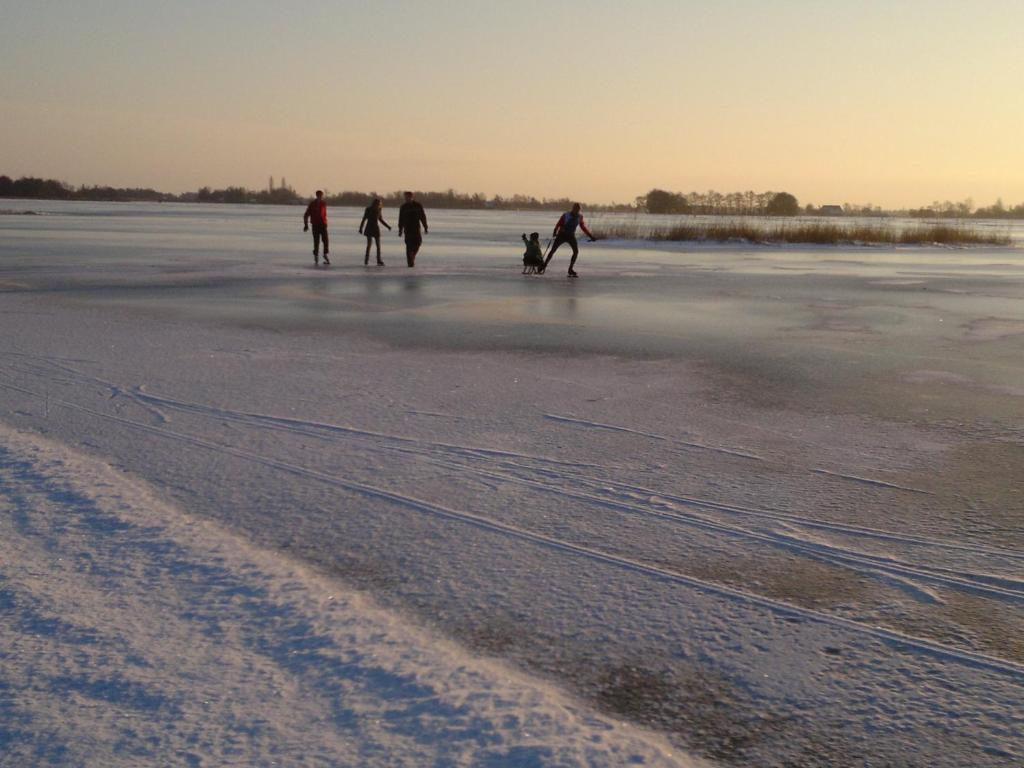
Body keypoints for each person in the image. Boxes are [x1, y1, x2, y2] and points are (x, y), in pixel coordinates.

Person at [540, 202, 594, 277]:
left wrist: (590, 236)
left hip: (571, 236)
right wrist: (555, 232)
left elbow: (583, 227)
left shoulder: (580, 217)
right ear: (573, 208)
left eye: (578, 209)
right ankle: (543, 266)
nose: (577, 211)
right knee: (553, 250)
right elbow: (558, 224)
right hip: (562, 235)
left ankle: (570, 269)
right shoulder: (566, 215)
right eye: (575, 209)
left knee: (576, 252)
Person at [397, 191, 428, 267]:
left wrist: (425, 226)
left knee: (418, 243)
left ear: (411, 197)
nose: (406, 199)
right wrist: (400, 229)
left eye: (407, 197)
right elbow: (400, 219)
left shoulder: (418, 205)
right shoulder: (403, 207)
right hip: (407, 229)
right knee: (408, 245)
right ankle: (410, 263)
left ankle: (412, 256)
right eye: (405, 197)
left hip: (416, 228)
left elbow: (422, 216)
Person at [359, 198, 391, 266]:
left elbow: (380, 219)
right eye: (378, 203)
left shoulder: (379, 210)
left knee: (378, 245)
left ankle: (379, 260)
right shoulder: (368, 209)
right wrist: (361, 228)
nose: (379, 205)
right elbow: (364, 219)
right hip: (369, 228)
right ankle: (366, 260)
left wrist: (387, 226)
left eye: (380, 204)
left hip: (376, 228)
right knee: (369, 245)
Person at [302, 190, 330, 266]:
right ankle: (316, 255)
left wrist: (325, 223)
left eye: (321, 195)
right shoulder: (312, 204)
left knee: (325, 240)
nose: (320, 197)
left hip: (323, 225)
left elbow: (324, 214)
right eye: (319, 195)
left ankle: (325, 253)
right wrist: (306, 225)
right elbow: (306, 215)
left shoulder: (323, 204)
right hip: (315, 225)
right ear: (317, 195)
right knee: (316, 241)